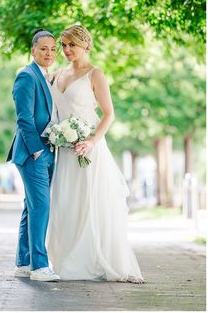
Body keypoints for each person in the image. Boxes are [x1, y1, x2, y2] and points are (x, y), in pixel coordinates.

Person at [47, 25, 145, 283]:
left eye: (72, 45)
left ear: (85, 46)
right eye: (64, 45)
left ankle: (94, 259)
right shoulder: (56, 75)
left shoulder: (95, 74)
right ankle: (65, 259)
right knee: (66, 203)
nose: (67, 50)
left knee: (90, 203)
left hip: (89, 149)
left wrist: (91, 141)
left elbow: (109, 114)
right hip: (66, 151)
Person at [7, 29, 60, 282]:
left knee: (31, 207)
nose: (49, 53)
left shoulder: (46, 77)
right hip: (32, 153)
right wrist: (37, 150)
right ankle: (40, 266)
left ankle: (23, 263)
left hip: (48, 149)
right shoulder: (26, 76)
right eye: (43, 49)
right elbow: (24, 118)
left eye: (52, 49)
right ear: (33, 50)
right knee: (41, 206)